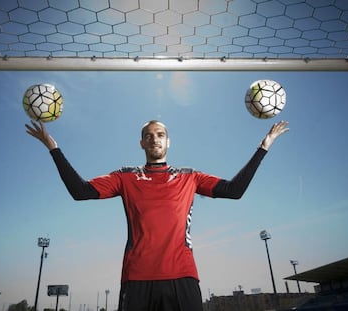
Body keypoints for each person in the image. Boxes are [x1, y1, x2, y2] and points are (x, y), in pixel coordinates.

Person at [25, 119, 289, 311]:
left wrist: (262, 148)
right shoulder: (125, 177)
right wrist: (53, 148)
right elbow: (80, 191)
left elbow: (234, 190)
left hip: (182, 276)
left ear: (168, 141)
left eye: (160, 134)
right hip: (138, 278)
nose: (154, 138)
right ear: (141, 142)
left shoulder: (189, 176)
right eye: (149, 135)